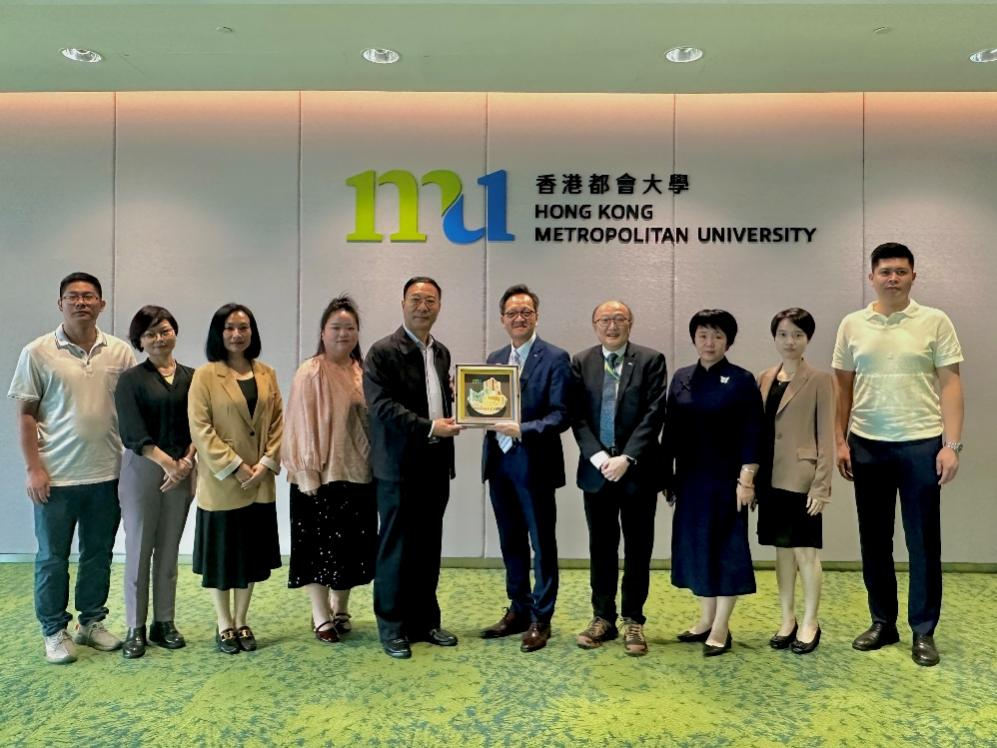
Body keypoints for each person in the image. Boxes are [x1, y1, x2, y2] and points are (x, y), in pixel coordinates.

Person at [833, 242, 964, 667]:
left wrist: (951, 445)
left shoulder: (935, 321)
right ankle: (882, 622)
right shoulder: (852, 325)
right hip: (867, 443)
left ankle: (923, 630)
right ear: (871, 276)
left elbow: (951, 384)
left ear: (913, 276)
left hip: (921, 444)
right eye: (885, 271)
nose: (893, 278)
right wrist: (840, 440)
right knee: (874, 540)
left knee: (923, 541)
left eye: (901, 271)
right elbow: (842, 388)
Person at [8, 272, 136, 663]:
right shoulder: (37, 352)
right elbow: (26, 415)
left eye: (89, 296)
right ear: (60, 303)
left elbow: (131, 411)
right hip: (56, 477)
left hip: (108, 475)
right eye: (73, 296)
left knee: (98, 554)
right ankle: (54, 630)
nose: (81, 302)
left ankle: (91, 622)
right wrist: (33, 468)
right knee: (52, 558)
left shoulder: (120, 353)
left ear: (102, 304)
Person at [363, 277, 462, 660]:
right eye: (416, 299)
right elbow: (382, 407)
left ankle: (425, 622)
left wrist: (458, 406)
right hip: (398, 467)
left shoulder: (441, 352)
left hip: (435, 464)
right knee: (395, 548)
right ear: (403, 303)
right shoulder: (382, 352)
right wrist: (430, 427)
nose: (423, 307)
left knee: (428, 546)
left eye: (431, 300)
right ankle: (392, 626)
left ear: (440, 306)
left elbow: (435, 400)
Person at [569, 300, 667, 657]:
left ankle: (633, 619)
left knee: (638, 548)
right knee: (601, 547)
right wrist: (599, 458)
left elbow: (655, 413)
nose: (612, 326)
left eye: (619, 319)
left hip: (637, 471)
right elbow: (576, 414)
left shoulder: (651, 360)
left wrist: (627, 457)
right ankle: (603, 617)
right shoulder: (581, 362)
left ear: (631, 323)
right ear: (595, 324)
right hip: (597, 472)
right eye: (605, 320)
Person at [665, 309, 762, 656]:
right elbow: (671, 430)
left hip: (727, 481)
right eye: (703, 335)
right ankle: (705, 619)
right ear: (694, 338)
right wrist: (667, 476)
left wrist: (747, 479)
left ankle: (721, 627)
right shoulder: (681, 378)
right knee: (697, 547)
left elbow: (753, 431)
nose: (709, 342)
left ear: (728, 341)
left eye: (718, 336)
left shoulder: (741, 379)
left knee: (726, 551)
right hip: (691, 479)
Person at [187, 303, 283, 655]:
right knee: (223, 557)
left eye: (243, 327)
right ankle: (224, 623)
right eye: (229, 328)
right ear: (219, 333)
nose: (237, 334)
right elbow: (200, 429)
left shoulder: (267, 373)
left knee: (250, 556)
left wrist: (266, 463)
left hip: (259, 482)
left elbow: (278, 423)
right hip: (223, 482)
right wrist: (237, 465)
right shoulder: (205, 376)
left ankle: (242, 620)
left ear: (252, 332)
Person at [480, 284, 571, 653]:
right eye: (512, 313)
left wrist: (524, 429)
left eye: (526, 312)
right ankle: (518, 608)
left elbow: (561, 414)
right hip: (499, 463)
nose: (519, 318)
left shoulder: (556, 357)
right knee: (510, 541)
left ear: (536, 316)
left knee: (542, 543)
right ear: (502, 319)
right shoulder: (494, 358)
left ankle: (541, 617)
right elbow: (484, 406)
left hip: (535, 463)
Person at [282, 296, 376, 644]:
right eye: (336, 327)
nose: (343, 333)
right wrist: (307, 471)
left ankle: (341, 608)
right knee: (315, 549)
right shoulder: (310, 371)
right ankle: (321, 615)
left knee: (349, 549)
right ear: (323, 332)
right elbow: (299, 423)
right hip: (320, 476)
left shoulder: (362, 372)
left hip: (358, 472)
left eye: (349, 328)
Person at [114, 305, 196, 659]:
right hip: (144, 470)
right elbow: (132, 431)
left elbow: (201, 424)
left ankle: (164, 622)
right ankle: (136, 627)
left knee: (168, 551)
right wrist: (168, 464)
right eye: (150, 334)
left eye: (164, 330)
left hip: (183, 469)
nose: (159, 338)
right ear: (140, 341)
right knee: (139, 549)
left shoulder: (193, 377)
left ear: (174, 332)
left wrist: (186, 462)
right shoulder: (130, 380)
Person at [755, 308, 835, 655]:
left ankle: (810, 621)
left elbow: (827, 437)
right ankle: (787, 618)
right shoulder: (764, 377)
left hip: (802, 479)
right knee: (782, 551)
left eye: (798, 335)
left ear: (808, 339)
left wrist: (821, 486)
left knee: (806, 552)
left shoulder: (820, 380)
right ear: (775, 337)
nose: (790, 341)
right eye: (784, 334)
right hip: (770, 477)